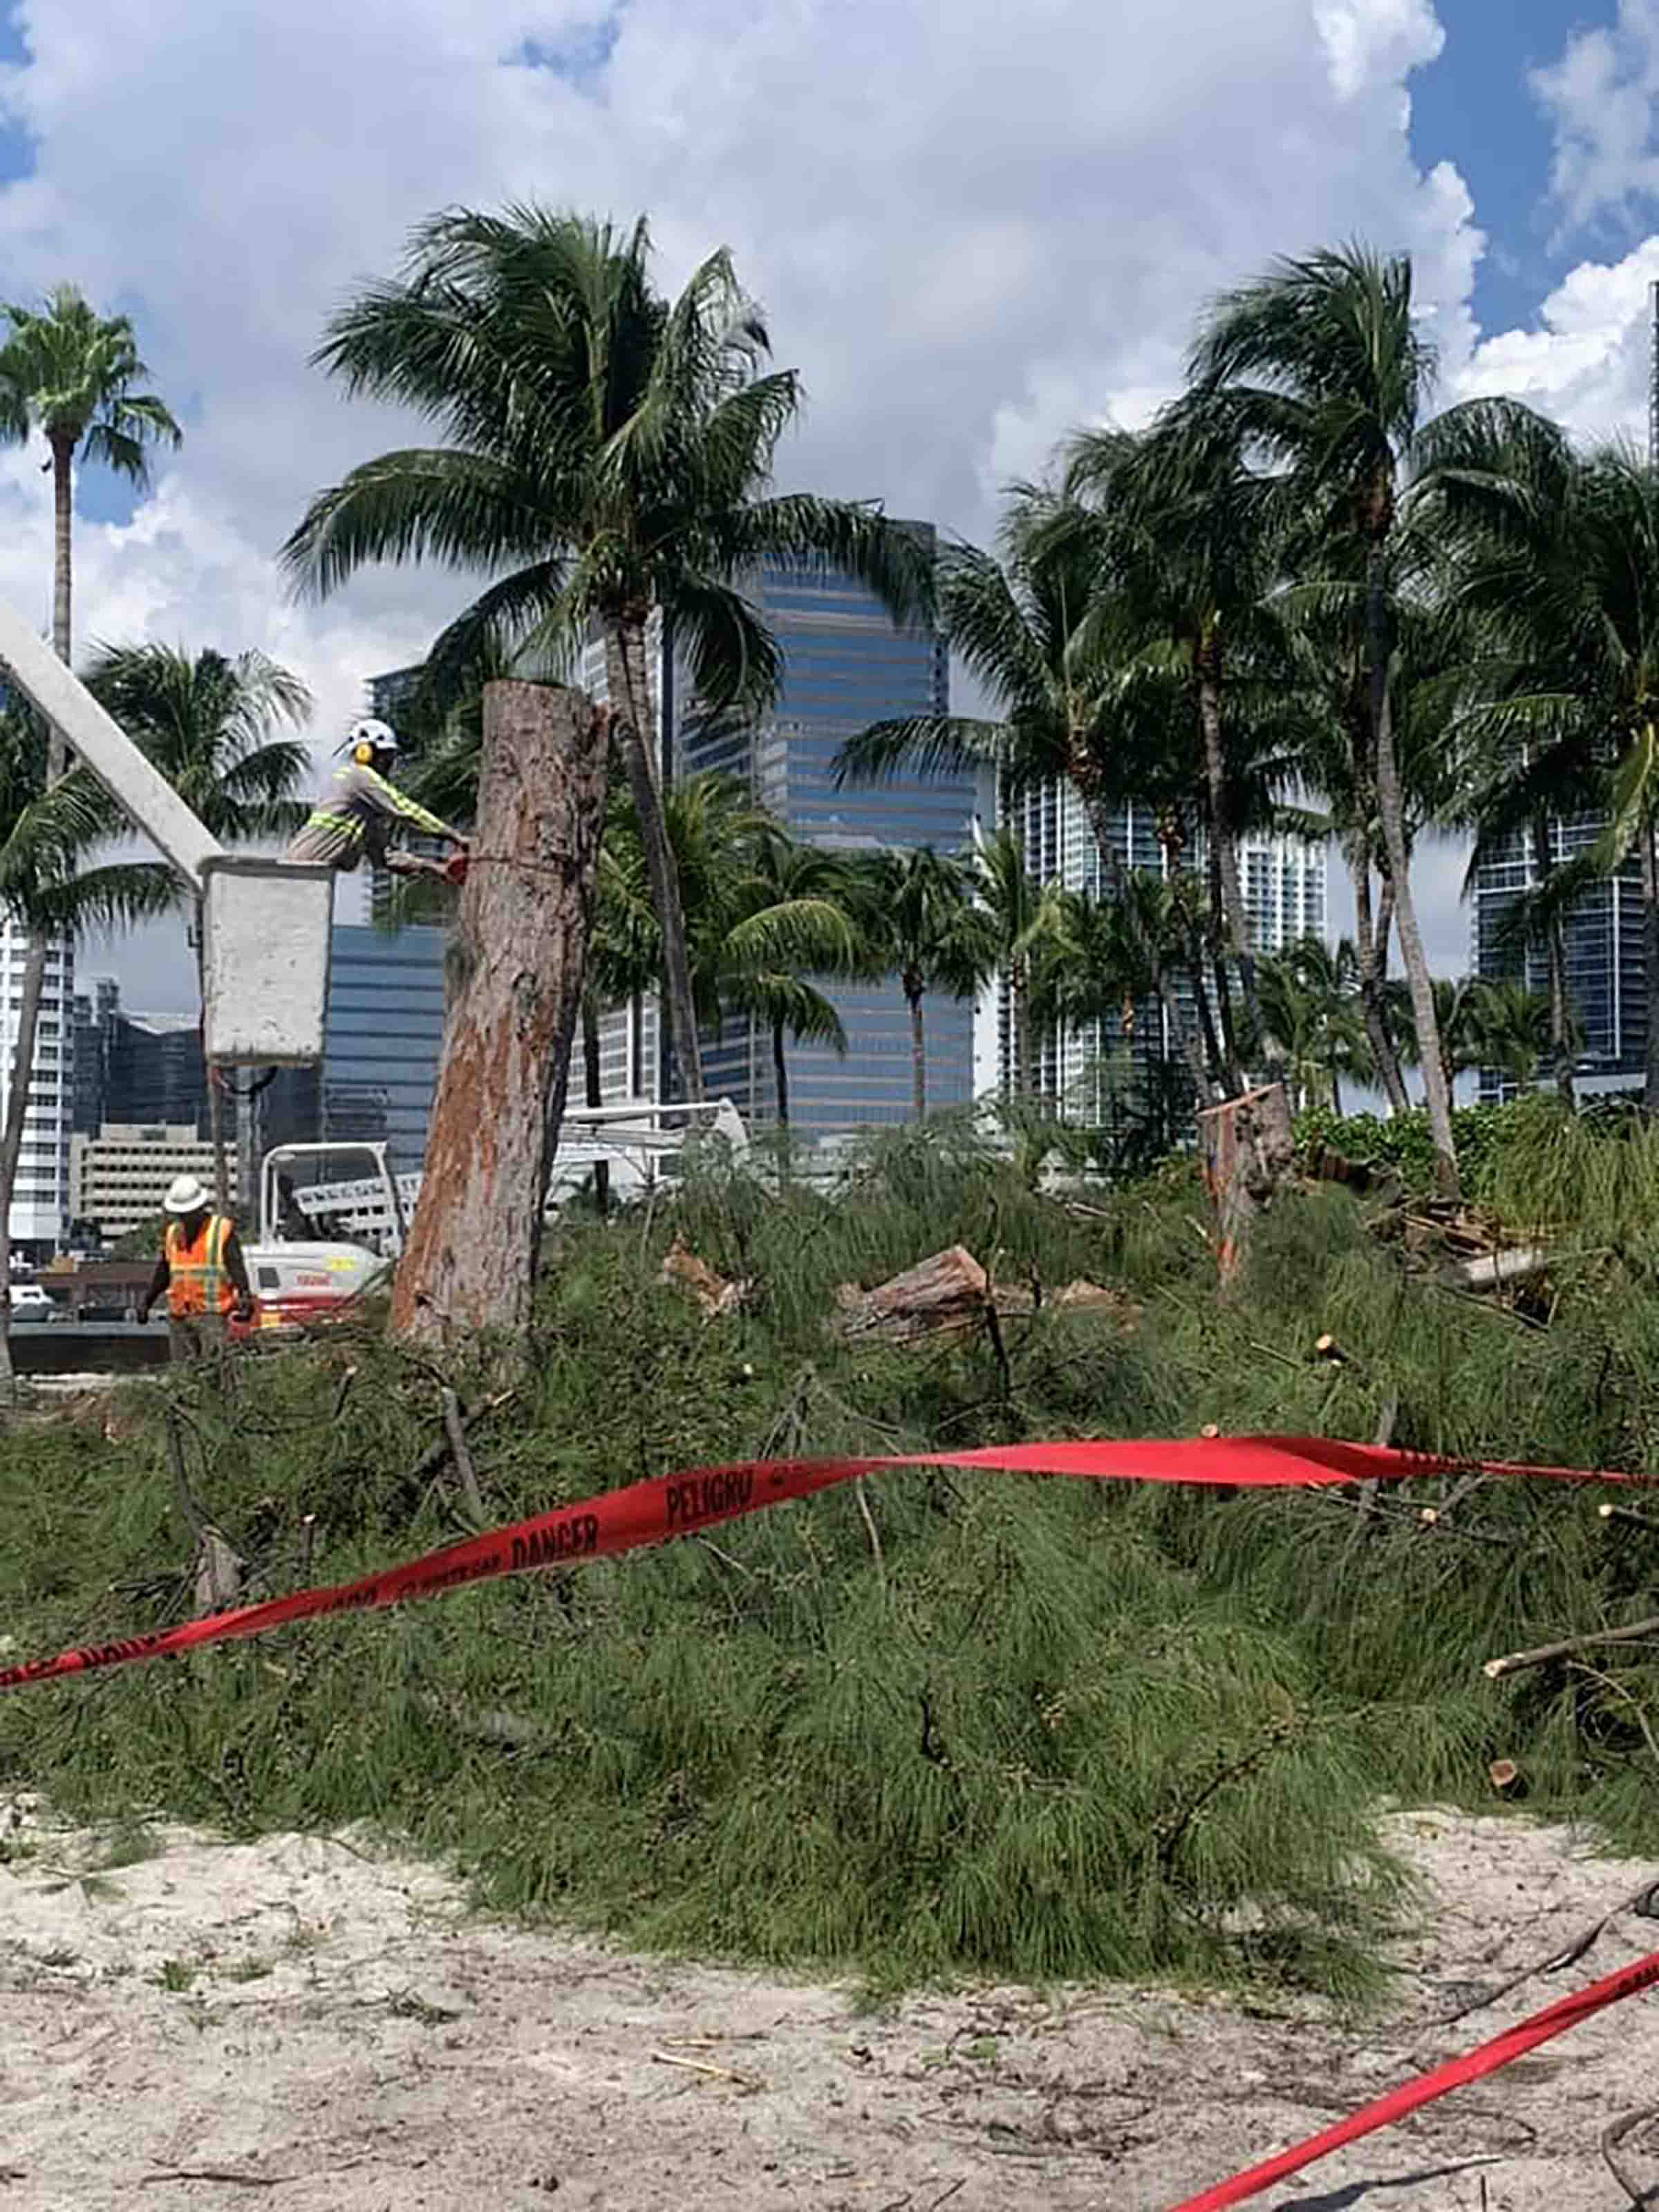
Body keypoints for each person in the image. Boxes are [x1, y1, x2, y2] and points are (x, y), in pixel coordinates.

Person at [284, 718, 469, 883]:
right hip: (302, 872)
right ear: (365, 753)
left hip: (312, 872)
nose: (389, 765)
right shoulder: (359, 776)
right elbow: (405, 809)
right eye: (386, 757)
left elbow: (385, 857)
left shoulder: (362, 812)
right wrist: (455, 836)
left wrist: (438, 869)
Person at [137, 1175, 254, 1362]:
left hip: (212, 1315)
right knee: (184, 1373)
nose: (184, 1218)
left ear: (200, 1208)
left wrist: (245, 1295)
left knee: (214, 1370)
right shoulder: (173, 1233)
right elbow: (164, 1271)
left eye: (188, 1213)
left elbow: (236, 1267)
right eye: (181, 1214)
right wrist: (147, 1300)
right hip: (180, 1316)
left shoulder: (220, 1230)